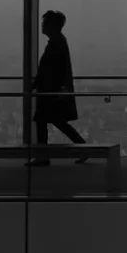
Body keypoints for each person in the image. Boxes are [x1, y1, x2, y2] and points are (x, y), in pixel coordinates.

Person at [28, 10, 86, 166]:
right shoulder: (58, 42)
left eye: (44, 23)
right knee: (56, 122)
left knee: (44, 122)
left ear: (52, 26)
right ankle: (84, 148)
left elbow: (50, 70)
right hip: (51, 92)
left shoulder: (56, 44)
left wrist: (37, 86)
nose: (42, 25)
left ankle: (43, 156)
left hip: (50, 93)